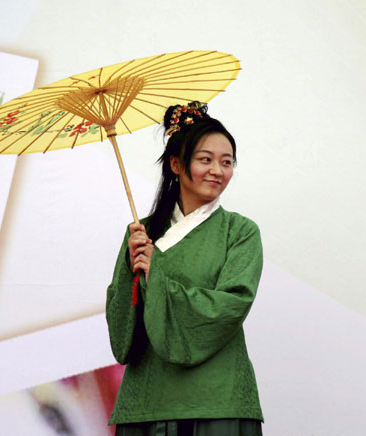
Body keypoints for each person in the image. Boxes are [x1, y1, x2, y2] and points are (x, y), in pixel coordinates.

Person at [106, 102, 264, 436]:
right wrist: (131, 273)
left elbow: (229, 307)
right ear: (176, 164)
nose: (218, 171)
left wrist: (157, 274)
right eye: (205, 159)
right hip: (145, 402)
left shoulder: (240, 232)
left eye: (227, 162)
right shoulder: (141, 233)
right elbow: (122, 327)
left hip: (217, 400)